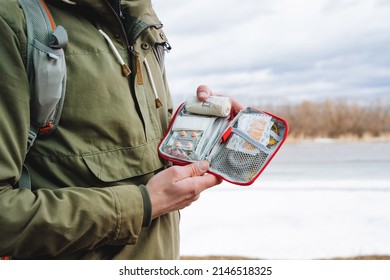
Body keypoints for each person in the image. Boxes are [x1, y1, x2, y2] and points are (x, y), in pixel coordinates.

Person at [0, 0, 244, 259]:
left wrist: (204, 126)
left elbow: (142, 148)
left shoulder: (141, 16)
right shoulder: (13, 20)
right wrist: (143, 204)